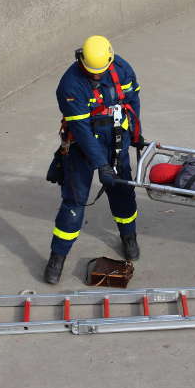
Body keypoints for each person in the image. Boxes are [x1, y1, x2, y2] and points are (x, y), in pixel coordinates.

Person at [44, 35, 143, 284]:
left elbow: (132, 101)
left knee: (123, 195)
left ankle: (128, 237)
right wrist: (101, 164)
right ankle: (57, 257)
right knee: (74, 203)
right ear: (81, 60)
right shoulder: (70, 85)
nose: (97, 76)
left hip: (117, 142)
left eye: (101, 71)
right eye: (92, 72)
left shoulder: (121, 68)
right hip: (83, 148)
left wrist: (135, 134)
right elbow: (82, 132)